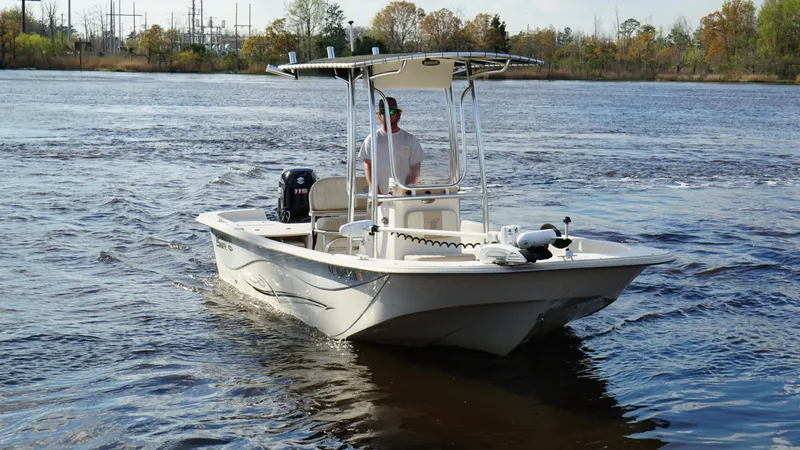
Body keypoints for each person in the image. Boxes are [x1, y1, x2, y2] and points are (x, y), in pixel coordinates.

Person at [358, 97, 424, 195]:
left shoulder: (410, 139)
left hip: (403, 196)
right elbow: (368, 167)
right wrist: (376, 191)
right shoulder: (371, 139)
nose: (388, 114)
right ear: (379, 116)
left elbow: (416, 169)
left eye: (392, 111)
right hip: (379, 197)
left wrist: (404, 189)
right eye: (384, 111)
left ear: (398, 115)